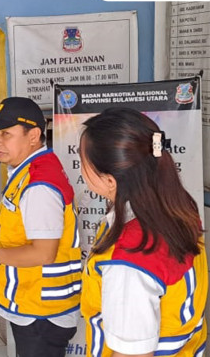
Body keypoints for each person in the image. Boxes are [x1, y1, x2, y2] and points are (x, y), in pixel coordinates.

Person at [78, 108, 207, 357]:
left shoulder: (132, 258)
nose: (82, 172)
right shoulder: (175, 205)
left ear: (109, 181)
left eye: (84, 163)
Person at [0, 97, 80, 357]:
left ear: (34, 135)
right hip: (32, 302)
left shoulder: (39, 185)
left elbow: (44, 253)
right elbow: (29, 224)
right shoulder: (26, 170)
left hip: (42, 308)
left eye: (6, 134)